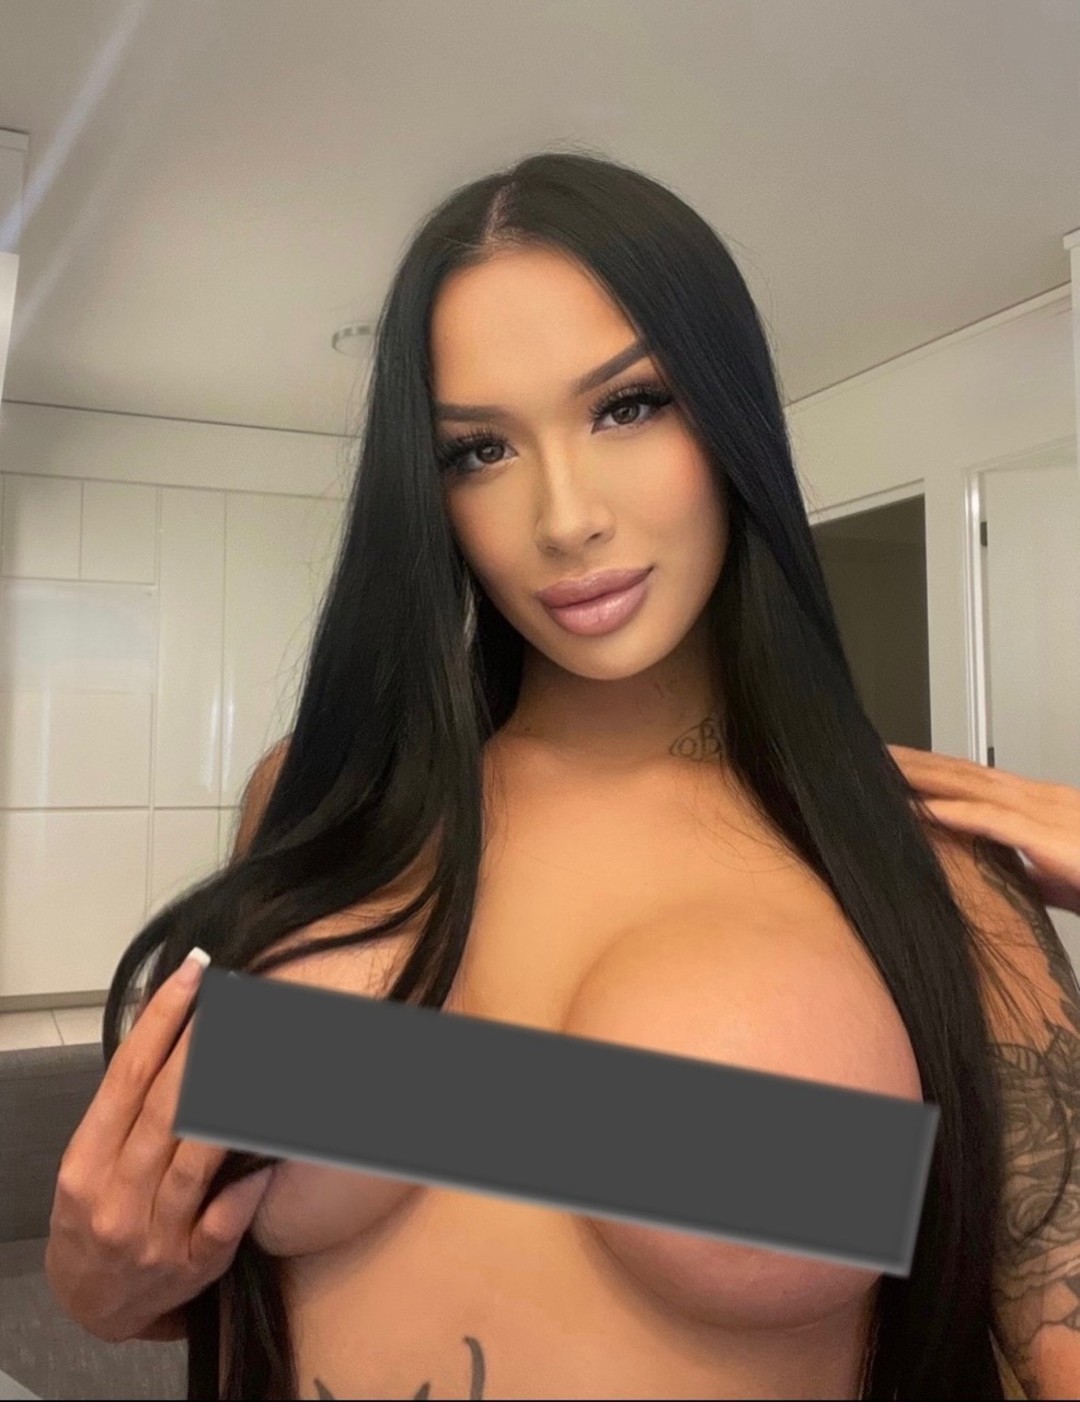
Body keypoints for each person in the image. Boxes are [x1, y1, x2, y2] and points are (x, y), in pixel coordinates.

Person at [44, 151, 1080, 1401]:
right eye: (480, 448)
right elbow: (243, 1265)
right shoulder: (331, 802)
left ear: (731, 415)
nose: (565, 516)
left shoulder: (925, 861)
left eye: (628, 406)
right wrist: (109, 1285)